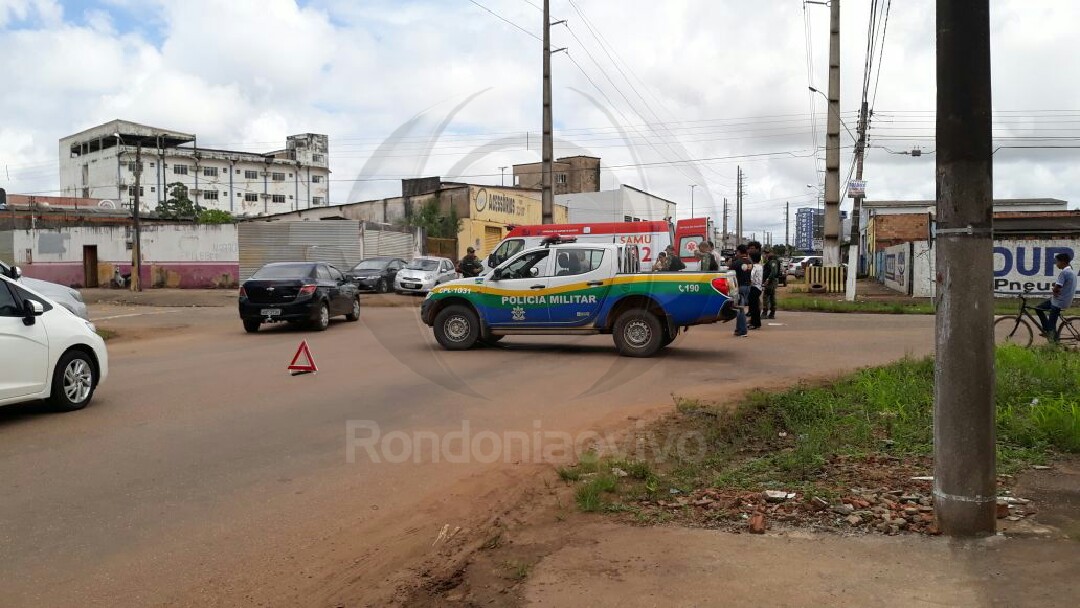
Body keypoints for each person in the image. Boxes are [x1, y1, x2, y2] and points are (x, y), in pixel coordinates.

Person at [1035, 252, 1076, 340]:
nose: (1056, 264)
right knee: (1038, 308)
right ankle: (1047, 330)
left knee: (1051, 324)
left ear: (1063, 262)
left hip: (1058, 302)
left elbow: (1057, 288)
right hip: (1064, 300)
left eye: (1057, 262)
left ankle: (1054, 343)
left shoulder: (1064, 273)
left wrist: (1054, 289)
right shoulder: (1071, 272)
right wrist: (1056, 288)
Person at [732, 245, 751, 337]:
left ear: (739, 252)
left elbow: (730, 273)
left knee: (740, 309)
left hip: (739, 286)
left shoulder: (736, 263)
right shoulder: (749, 262)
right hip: (748, 286)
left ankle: (742, 330)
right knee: (741, 307)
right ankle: (738, 329)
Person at [748, 251, 763, 329]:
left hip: (753, 287)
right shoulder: (760, 266)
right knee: (755, 306)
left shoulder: (754, 267)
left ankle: (754, 323)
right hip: (759, 287)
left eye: (749, 257)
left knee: (753, 307)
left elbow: (750, 277)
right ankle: (756, 323)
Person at [763, 252, 780, 319]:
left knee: (766, 296)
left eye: (766, 253)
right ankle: (772, 313)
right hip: (772, 281)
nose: (765, 255)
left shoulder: (773, 261)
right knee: (771, 296)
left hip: (770, 282)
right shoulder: (773, 261)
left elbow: (773, 272)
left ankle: (765, 312)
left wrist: (768, 279)